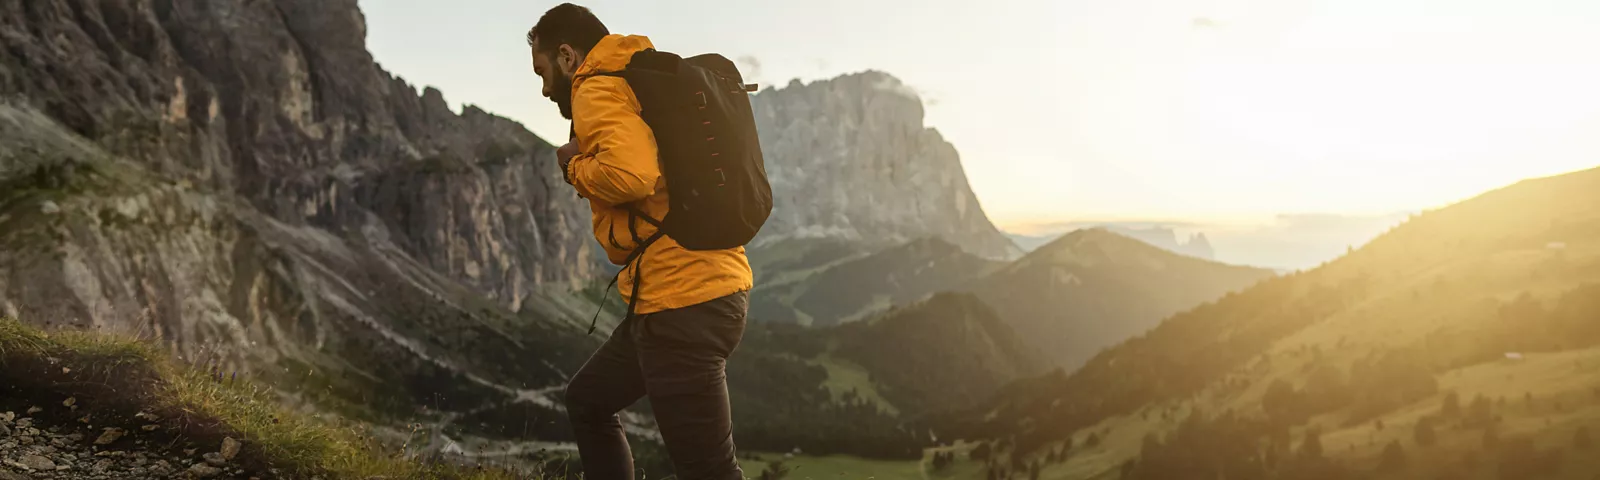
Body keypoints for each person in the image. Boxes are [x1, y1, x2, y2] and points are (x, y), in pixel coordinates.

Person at [526, 4, 753, 479]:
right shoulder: (634, 73)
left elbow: (632, 177)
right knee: (588, 400)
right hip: (680, 296)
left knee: (709, 470)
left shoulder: (598, 86)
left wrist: (572, 166)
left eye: (544, 71)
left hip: (683, 301)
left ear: (568, 56)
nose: (545, 88)